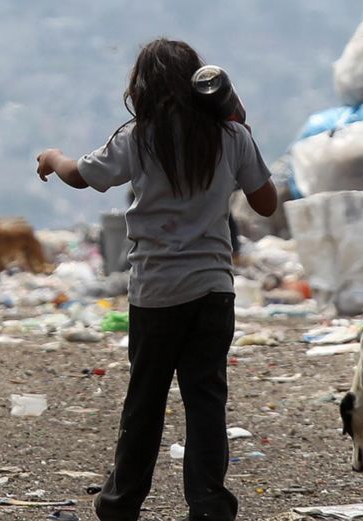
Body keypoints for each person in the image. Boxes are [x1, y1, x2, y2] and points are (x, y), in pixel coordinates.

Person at [35, 38, 277, 521]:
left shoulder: (139, 137)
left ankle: (121, 503)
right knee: (206, 401)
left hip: (156, 291)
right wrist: (241, 130)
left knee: (145, 401)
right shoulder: (231, 137)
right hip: (213, 289)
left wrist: (53, 157)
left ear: (142, 87)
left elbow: (82, 175)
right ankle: (209, 506)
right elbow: (266, 203)